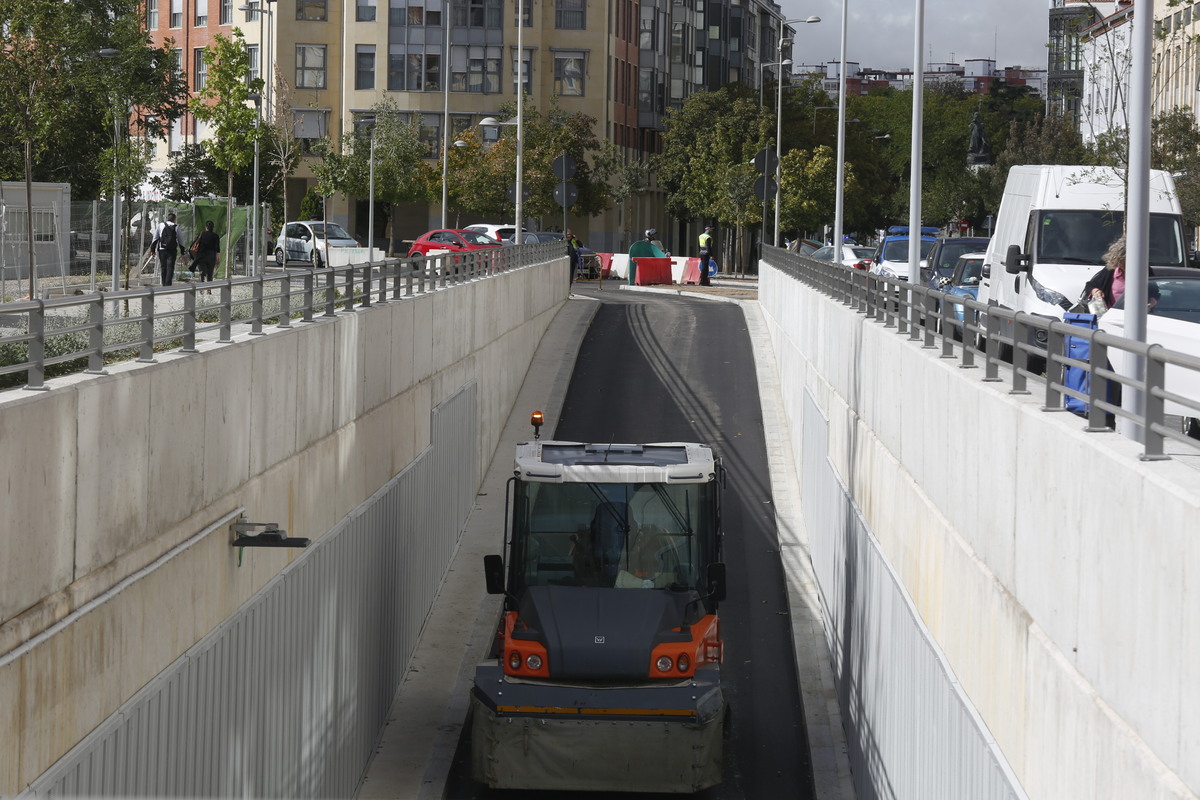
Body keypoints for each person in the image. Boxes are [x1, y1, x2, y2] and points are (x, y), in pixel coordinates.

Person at [1082, 234, 1159, 313]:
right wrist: (1096, 292)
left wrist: (1151, 302)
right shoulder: (1110, 270)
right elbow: (1090, 285)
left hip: (1137, 317)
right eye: (1122, 262)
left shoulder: (1145, 271)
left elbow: (1155, 292)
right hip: (1111, 317)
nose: (1125, 265)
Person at [149, 212, 187, 286]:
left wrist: (152, 250)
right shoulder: (176, 227)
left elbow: (155, 238)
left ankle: (163, 284)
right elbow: (181, 241)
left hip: (162, 249)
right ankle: (168, 284)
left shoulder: (160, 225)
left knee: (163, 267)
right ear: (174, 219)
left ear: (167, 218)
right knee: (170, 267)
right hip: (172, 251)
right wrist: (182, 253)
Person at [191, 220, 221, 289]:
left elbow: (195, 244)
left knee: (202, 272)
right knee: (210, 274)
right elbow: (218, 249)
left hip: (202, 256)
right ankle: (209, 289)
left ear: (206, 227)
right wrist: (218, 258)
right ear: (213, 227)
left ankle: (201, 288)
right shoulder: (216, 236)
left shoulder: (202, 234)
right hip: (211, 257)